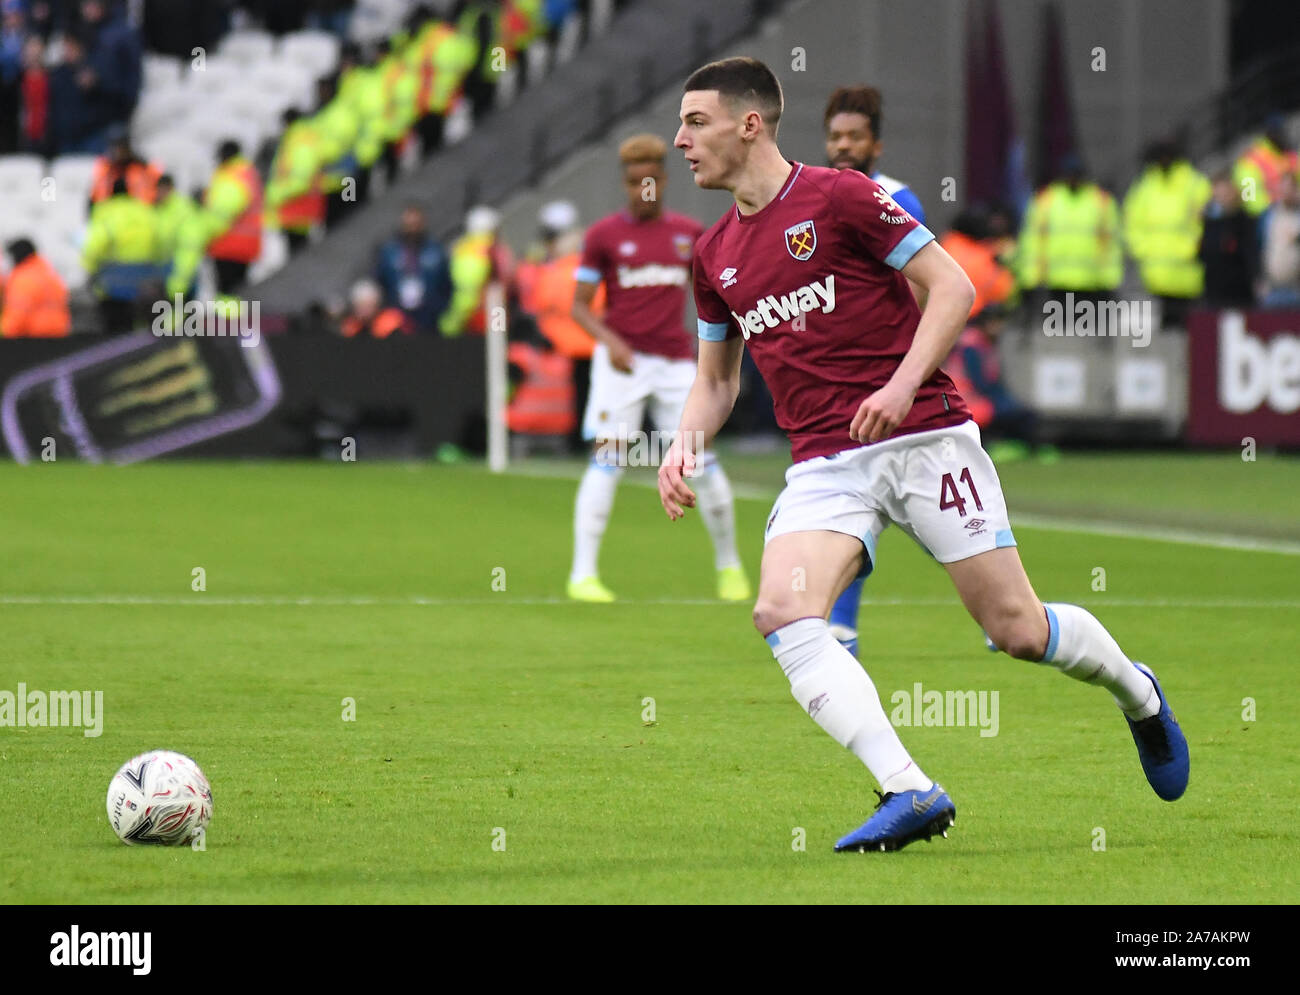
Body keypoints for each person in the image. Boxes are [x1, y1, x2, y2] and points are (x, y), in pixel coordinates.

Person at [661, 57, 1187, 852]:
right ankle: (910, 789)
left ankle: (1137, 691)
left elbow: (953, 289)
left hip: (926, 438)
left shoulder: (839, 197)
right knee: (781, 611)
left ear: (750, 123)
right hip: (826, 464)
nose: (679, 141)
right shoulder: (713, 256)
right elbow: (715, 379)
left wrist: (902, 386)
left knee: (1014, 628)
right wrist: (682, 446)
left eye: (694, 122)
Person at [568, 133, 749, 604]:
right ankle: (582, 574)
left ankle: (730, 567)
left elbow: (725, 291)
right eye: (631, 182)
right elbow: (580, 307)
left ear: (663, 181)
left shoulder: (689, 234)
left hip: (674, 365)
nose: (639, 190)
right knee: (608, 460)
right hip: (622, 365)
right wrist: (610, 342)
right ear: (624, 184)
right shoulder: (603, 236)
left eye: (647, 181)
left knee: (702, 462)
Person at [822, 84, 928, 657]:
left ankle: (1003, 605)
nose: (843, 146)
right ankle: (840, 624)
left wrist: (908, 369)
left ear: (875, 145)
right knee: (857, 499)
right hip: (839, 378)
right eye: (835, 136)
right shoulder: (813, 199)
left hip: (892, 374)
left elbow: (920, 285)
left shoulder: (898, 199)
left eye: (854, 137)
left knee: (925, 501)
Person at [516, 199, 599, 453]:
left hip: (567, 344)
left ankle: (579, 440)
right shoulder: (578, 266)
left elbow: (539, 304)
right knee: (586, 396)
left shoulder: (552, 270)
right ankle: (581, 439)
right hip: (583, 342)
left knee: (584, 397)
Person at [1122, 138, 1211, 328]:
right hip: (1156, 274)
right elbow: (1132, 223)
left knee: (1191, 328)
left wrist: (1195, 248)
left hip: (1189, 272)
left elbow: (1208, 221)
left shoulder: (1194, 184)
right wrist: (1144, 251)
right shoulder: (1145, 187)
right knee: (1163, 331)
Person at [1018, 153, 1122, 306]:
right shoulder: (1046, 200)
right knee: (1057, 328)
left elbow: (1111, 244)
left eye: (1076, 175)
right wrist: (1030, 279)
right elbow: (1032, 241)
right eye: (1070, 174)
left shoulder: (1101, 201)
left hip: (1091, 283)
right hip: (1055, 282)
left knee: (1087, 329)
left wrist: (1110, 280)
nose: (1073, 179)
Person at [82, 175, 160, 333]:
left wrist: (89, 268)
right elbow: (159, 238)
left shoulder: (105, 210)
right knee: (141, 320)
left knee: (114, 322)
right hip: (144, 272)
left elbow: (96, 243)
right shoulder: (144, 209)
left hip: (114, 273)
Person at [375, 204, 452, 332]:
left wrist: (439, 308)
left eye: (416, 224)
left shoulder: (435, 250)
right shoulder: (389, 251)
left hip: (429, 316)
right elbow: (380, 281)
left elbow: (446, 283)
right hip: (397, 316)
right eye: (409, 225)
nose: (412, 229)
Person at [1199, 170, 1258, 309]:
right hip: (1214, 288)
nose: (1221, 197)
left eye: (1225, 193)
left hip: (1239, 289)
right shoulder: (1210, 221)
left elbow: (1250, 253)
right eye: (1217, 193)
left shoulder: (1243, 220)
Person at [1232, 113, 1299, 218]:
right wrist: (1274, 208)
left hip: (1293, 208)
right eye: (1279, 132)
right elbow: (1250, 199)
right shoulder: (1250, 161)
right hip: (1267, 216)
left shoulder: (1289, 154)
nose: (1284, 135)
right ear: (1269, 135)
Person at [1, 237, 70, 337]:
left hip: (33, 339)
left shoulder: (23, 279)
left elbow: (17, 316)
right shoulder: (49, 274)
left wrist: (5, 333)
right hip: (58, 335)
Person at [1258, 173, 1300, 309]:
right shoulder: (1268, 216)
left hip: (1296, 288)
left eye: (1290, 187)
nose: (1286, 192)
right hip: (1272, 289)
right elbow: (1260, 246)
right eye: (1283, 187)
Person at [340, 278, 408, 338]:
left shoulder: (392, 323)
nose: (364, 311)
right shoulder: (351, 327)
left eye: (367, 305)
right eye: (359, 306)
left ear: (376, 304)